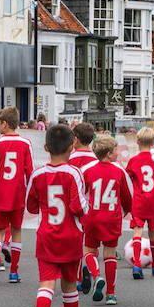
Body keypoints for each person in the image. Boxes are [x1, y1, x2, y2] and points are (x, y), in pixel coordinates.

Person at [27, 124, 88, 307]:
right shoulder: (74, 173)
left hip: (46, 235)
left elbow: (31, 206)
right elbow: (79, 207)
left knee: (46, 285)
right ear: (72, 146)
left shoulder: (38, 174)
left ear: (45, 147)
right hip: (70, 235)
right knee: (70, 286)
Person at [80, 135, 132, 304]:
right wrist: (126, 211)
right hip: (112, 217)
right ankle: (111, 293)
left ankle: (96, 276)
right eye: (116, 150)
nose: (117, 153)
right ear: (109, 153)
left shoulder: (87, 169)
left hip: (93, 216)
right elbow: (127, 197)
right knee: (110, 254)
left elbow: (81, 193)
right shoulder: (119, 171)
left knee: (89, 251)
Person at [0, 107, 34, 284]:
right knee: (16, 230)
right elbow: (30, 171)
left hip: (1, 191)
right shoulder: (26, 143)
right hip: (18, 192)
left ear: (5, 124)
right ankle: (14, 272)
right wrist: (30, 193)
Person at [126, 127, 154, 279]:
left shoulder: (134, 161)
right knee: (153, 232)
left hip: (139, 201)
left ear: (137, 141)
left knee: (137, 231)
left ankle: (136, 265)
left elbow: (128, 177)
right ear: (153, 142)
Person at [69, 122, 98, 291]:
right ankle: (89, 267)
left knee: (76, 241)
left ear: (76, 139)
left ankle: (80, 274)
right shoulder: (96, 159)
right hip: (92, 205)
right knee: (90, 243)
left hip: (74, 204)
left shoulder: (70, 158)